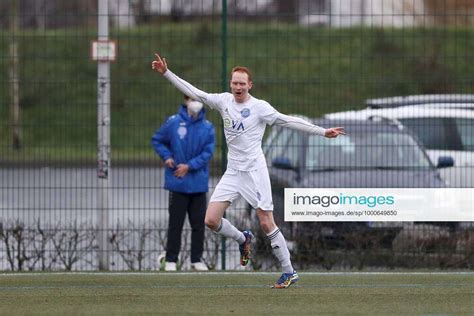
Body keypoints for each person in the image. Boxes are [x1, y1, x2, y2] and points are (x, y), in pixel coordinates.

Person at [151, 53, 345, 288]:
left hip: (255, 171)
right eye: (235, 82)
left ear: (249, 85)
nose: (238, 87)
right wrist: (167, 73)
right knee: (211, 220)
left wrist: (322, 132)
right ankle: (243, 239)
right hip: (234, 171)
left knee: (266, 222)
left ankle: (289, 271)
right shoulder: (223, 101)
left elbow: (288, 120)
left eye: (242, 83)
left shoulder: (259, 108)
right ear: (230, 84)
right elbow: (195, 92)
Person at [152, 94, 215, 271]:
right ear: (185, 101)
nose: (194, 103)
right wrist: (167, 157)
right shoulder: (173, 122)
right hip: (177, 183)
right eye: (190, 99)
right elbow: (157, 140)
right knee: (175, 224)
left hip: (198, 184)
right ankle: (171, 259)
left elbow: (207, 153)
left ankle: (196, 260)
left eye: (197, 100)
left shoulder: (208, 127)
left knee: (198, 224)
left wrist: (189, 166)